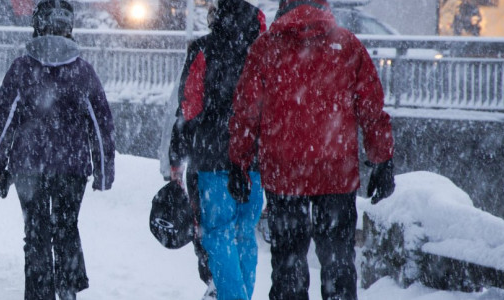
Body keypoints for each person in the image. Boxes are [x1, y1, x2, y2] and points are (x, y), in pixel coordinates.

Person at [228, 0, 396, 299]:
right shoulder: (346, 46)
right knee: (338, 262)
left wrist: (238, 162)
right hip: (336, 168)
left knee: (288, 263)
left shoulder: (266, 48)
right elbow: (371, 107)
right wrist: (381, 158)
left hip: (284, 171)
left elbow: (246, 112)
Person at [0, 1, 116, 299]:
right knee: (66, 226)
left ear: (37, 26)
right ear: (69, 28)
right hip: (72, 167)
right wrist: (104, 171)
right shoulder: (82, 71)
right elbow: (101, 124)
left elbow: (2, 126)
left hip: (29, 167)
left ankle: (40, 294)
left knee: (36, 234)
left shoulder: (22, 69)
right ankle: (68, 288)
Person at [168, 1, 267, 299]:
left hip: (213, 159)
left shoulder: (203, 50)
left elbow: (189, 106)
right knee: (245, 234)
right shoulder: (264, 53)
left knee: (218, 234)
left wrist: (177, 155)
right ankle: (240, 295)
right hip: (253, 157)